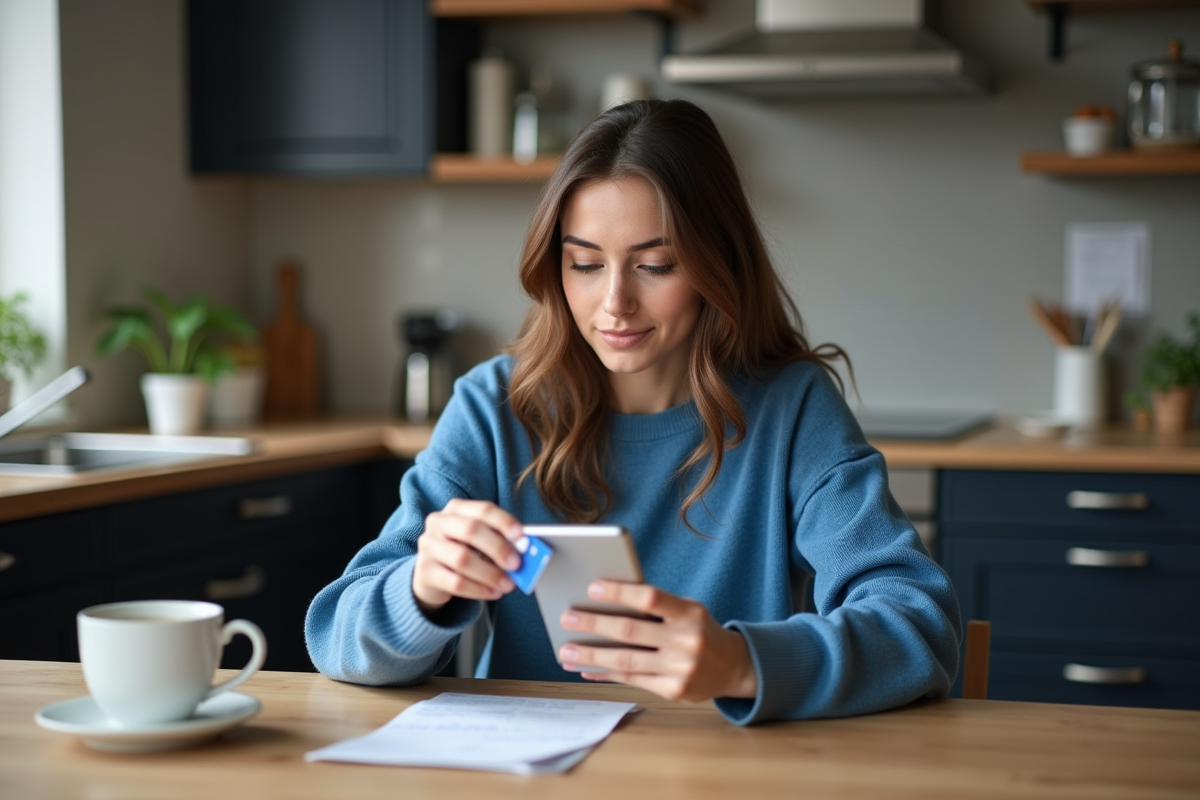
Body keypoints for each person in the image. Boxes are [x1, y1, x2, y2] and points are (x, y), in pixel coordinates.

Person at [305, 99, 961, 725]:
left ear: (715, 265)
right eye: (585, 264)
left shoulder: (792, 410)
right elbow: (336, 636)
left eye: (655, 265)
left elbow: (920, 626)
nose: (614, 303)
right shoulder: (492, 407)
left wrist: (741, 664)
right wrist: (421, 588)